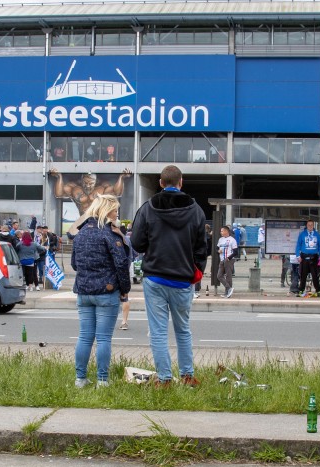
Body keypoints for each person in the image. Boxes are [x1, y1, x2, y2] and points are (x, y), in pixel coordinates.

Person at [130, 165, 208, 387]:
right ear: (181, 182)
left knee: (158, 332)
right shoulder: (196, 211)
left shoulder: (147, 208)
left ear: (161, 183)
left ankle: (164, 380)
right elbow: (202, 248)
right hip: (183, 279)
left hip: (155, 278)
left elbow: (136, 242)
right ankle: (187, 376)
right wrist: (196, 272)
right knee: (183, 329)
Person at [70, 194, 130, 387]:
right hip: (106, 291)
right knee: (103, 338)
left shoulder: (80, 234)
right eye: (115, 210)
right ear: (106, 210)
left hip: (84, 291)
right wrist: (125, 289)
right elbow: (121, 263)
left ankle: (80, 379)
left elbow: (74, 264)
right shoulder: (109, 234)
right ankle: (102, 380)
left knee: (85, 336)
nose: (117, 213)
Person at [48, 169, 131, 217]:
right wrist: (59, 176)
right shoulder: (74, 188)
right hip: (82, 219)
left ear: (96, 182)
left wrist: (121, 177)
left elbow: (117, 193)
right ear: (81, 181)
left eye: (91, 183)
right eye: (85, 183)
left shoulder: (102, 188)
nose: (87, 186)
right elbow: (59, 194)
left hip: (97, 219)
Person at [296, 219, 320, 297]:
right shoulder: (302, 234)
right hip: (304, 257)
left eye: (311, 225)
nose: (310, 226)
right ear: (306, 226)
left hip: (314, 258)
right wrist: (298, 255)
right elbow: (298, 245)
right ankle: (301, 290)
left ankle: (318, 290)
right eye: (309, 225)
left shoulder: (317, 235)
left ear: (313, 225)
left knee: (315, 275)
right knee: (303, 275)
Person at [216, 226, 238, 299]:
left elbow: (235, 252)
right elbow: (217, 248)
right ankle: (229, 288)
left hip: (229, 259)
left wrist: (229, 258)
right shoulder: (220, 239)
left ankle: (227, 293)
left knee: (228, 276)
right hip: (222, 259)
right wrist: (218, 251)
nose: (221, 232)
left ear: (226, 231)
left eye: (222, 231)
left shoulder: (232, 240)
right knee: (219, 275)